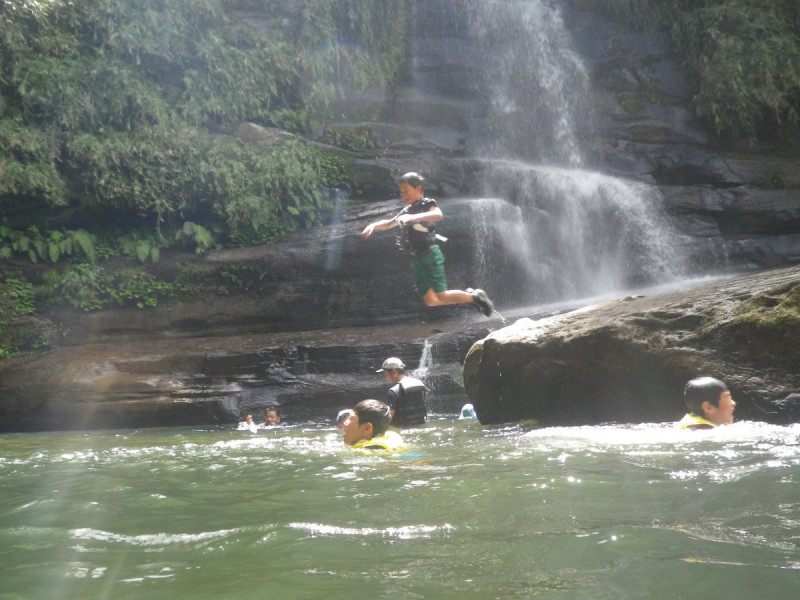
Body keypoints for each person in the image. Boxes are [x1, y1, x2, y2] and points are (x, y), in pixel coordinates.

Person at [361, 171, 495, 317]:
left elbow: (438, 215)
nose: (404, 195)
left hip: (430, 255)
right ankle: (468, 297)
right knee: (430, 301)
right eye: (401, 193)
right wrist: (373, 225)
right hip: (416, 259)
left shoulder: (426, 204)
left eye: (407, 191)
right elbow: (389, 223)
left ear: (418, 189)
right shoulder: (406, 211)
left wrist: (414, 218)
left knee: (442, 295)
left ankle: (475, 297)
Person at [377, 357, 427, 427]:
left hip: (403, 429)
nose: (386, 378)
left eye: (386, 375)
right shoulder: (419, 384)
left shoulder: (394, 391)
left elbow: (390, 416)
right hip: (421, 426)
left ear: (394, 372)